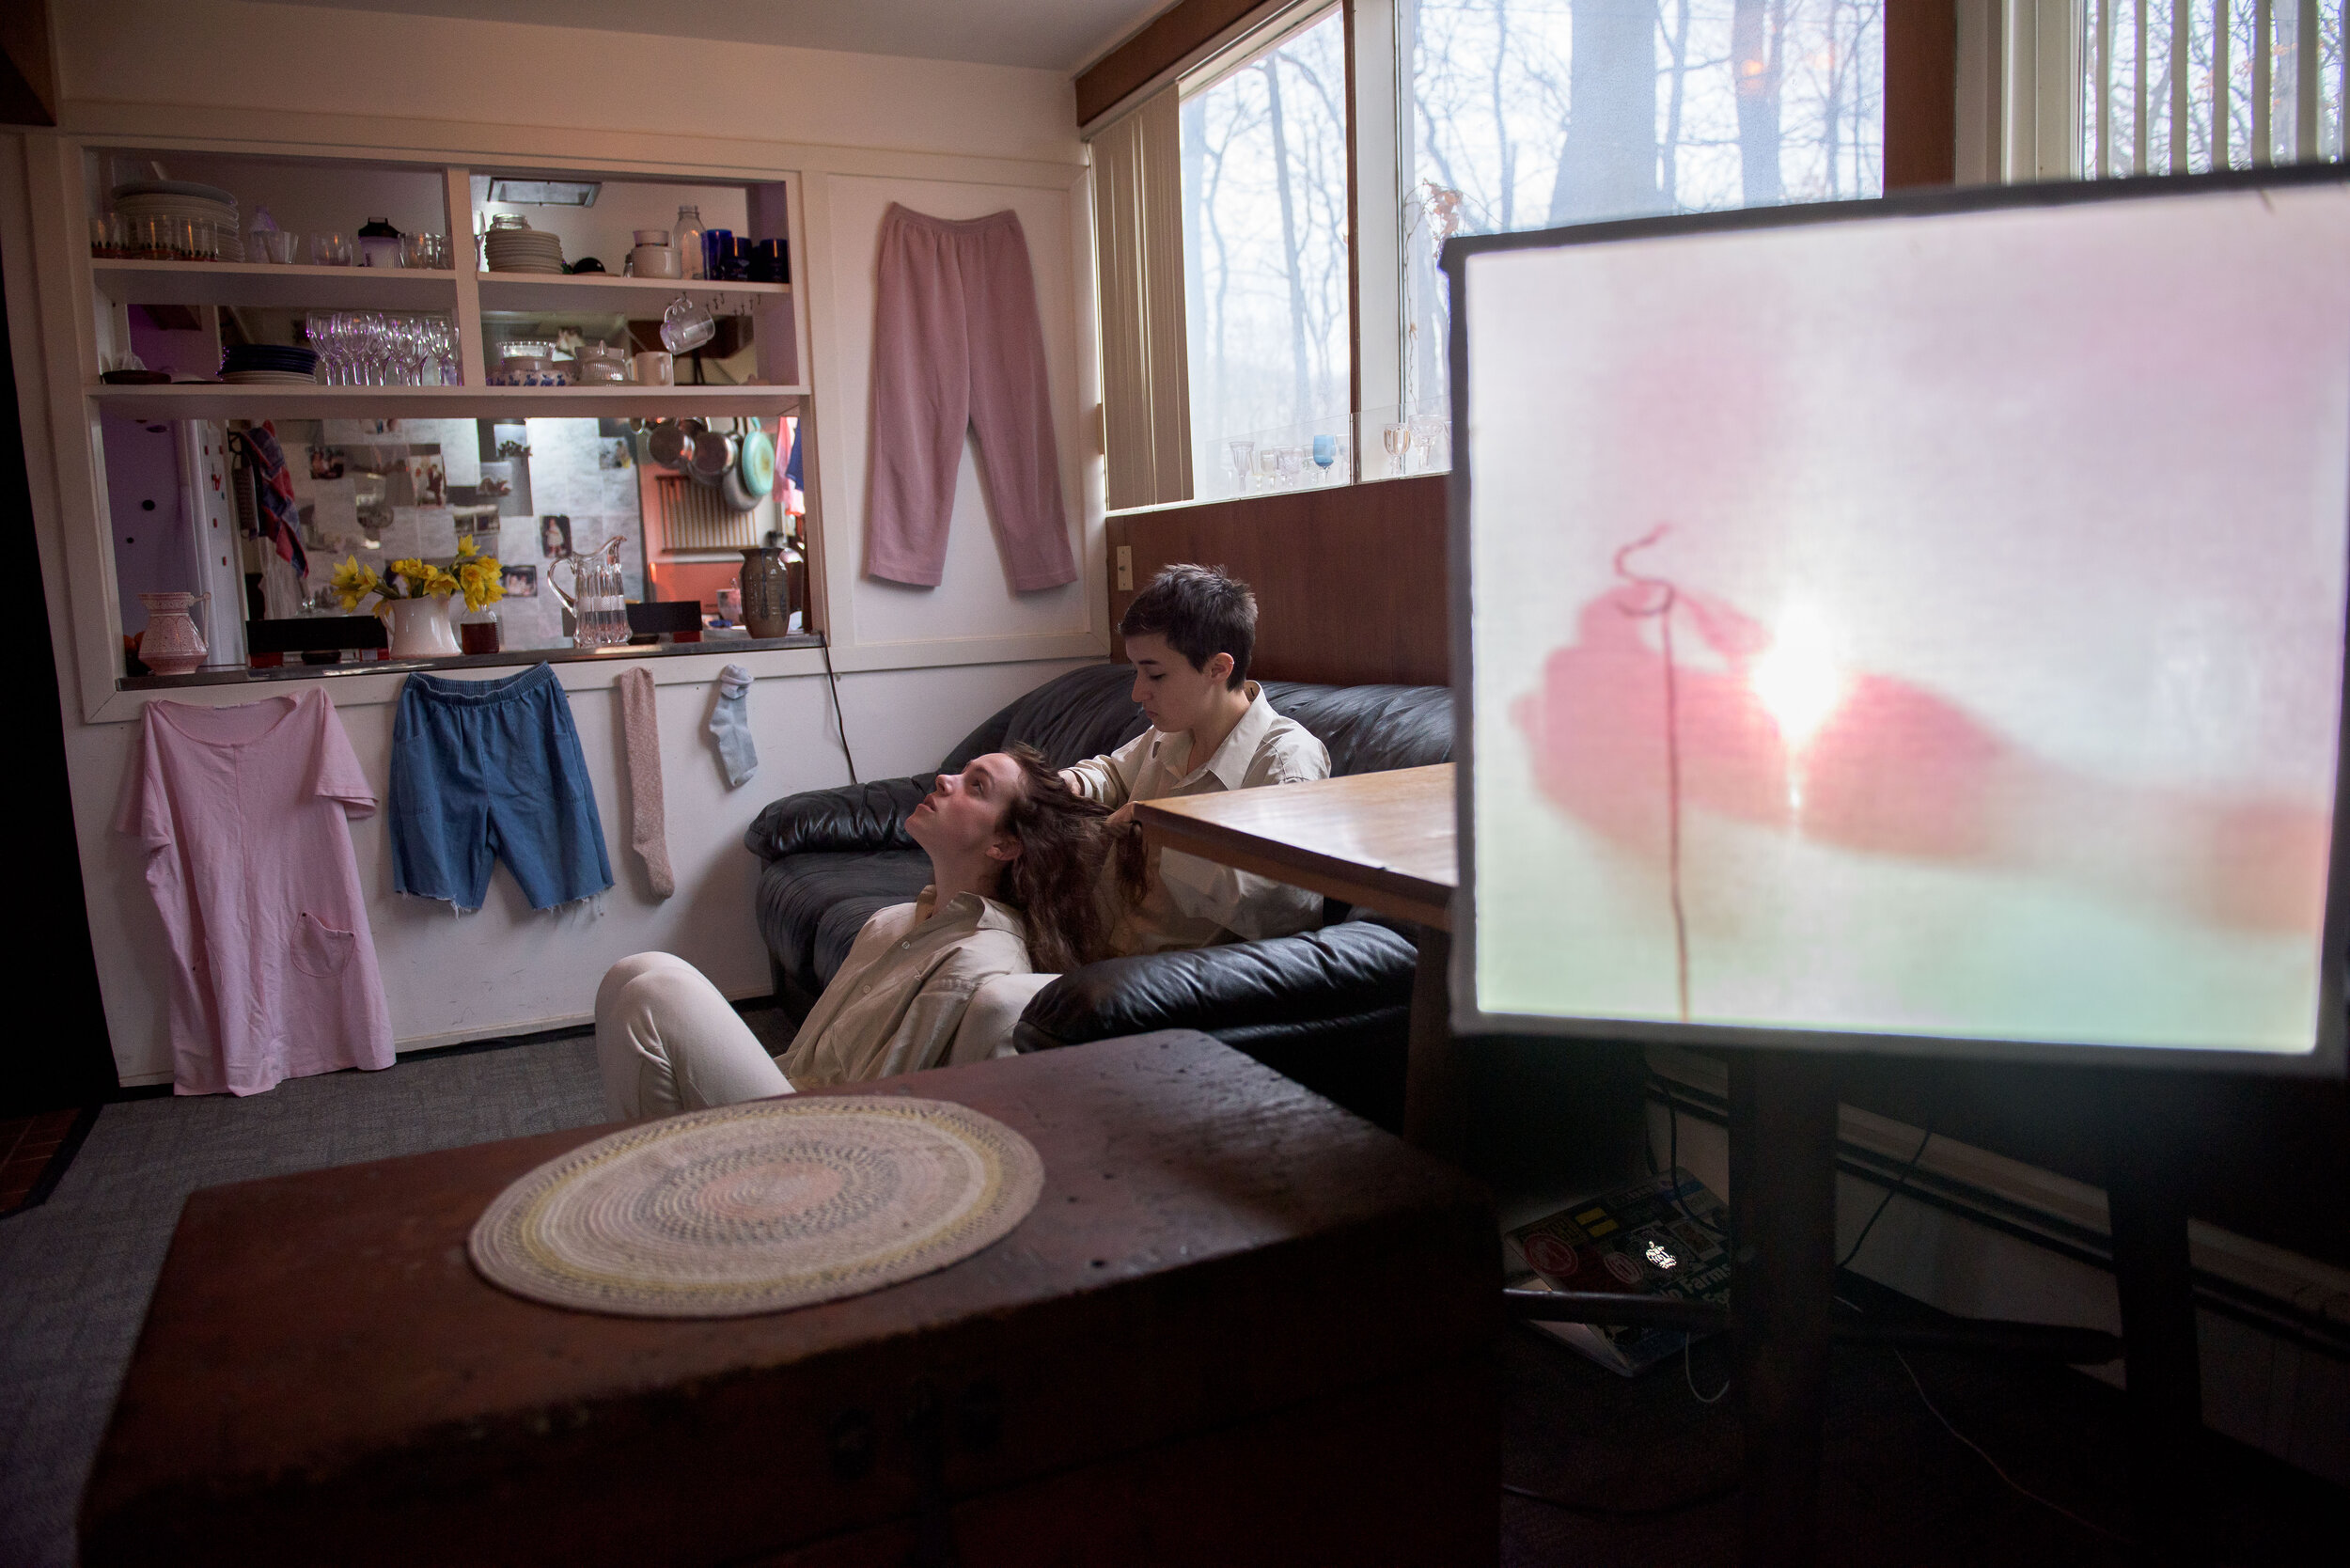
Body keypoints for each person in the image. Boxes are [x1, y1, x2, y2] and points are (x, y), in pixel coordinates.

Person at [595, 745, 1106, 1119]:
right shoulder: (892, 922)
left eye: (977, 787)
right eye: (961, 771)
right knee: (635, 971)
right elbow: (802, 1056)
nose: (945, 780)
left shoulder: (981, 959)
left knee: (656, 992)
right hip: (794, 1095)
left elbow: (895, 1114)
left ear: (1004, 845)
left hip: (831, 1145)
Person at [1064, 563, 1330, 953]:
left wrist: (1167, 830)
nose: (1137, 693)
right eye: (1136, 671)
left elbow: (1284, 907)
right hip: (1089, 946)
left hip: (1165, 977)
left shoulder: (1285, 762)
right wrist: (1069, 784)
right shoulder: (1172, 730)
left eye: (1155, 675)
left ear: (1217, 669)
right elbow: (1114, 774)